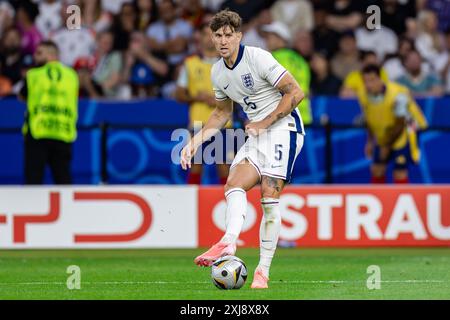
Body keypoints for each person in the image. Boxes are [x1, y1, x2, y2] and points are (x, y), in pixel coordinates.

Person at [180, 10, 305, 289]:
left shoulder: (257, 57)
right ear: (212, 38)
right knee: (233, 184)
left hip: (284, 129)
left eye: (228, 35)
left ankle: (263, 270)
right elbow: (221, 112)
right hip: (257, 134)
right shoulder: (217, 71)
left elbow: (295, 92)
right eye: (218, 35)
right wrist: (194, 142)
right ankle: (228, 241)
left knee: (268, 198)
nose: (223, 40)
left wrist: (264, 121)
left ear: (239, 36)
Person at [175, 23, 231, 184]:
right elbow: (179, 94)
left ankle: (228, 204)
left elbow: (240, 93)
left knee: (224, 165)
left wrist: (218, 100)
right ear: (199, 38)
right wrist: (196, 97)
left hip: (223, 122)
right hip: (198, 122)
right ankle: (190, 204)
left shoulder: (229, 63)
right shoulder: (190, 64)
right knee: (196, 164)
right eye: (206, 34)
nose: (210, 38)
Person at [19, 41, 79, 184]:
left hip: (38, 131)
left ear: (52, 55)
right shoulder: (71, 75)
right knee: (63, 180)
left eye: (40, 53)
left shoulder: (33, 75)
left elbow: (22, 97)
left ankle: (33, 207)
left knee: (33, 181)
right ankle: (67, 207)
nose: (35, 56)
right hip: (63, 132)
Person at [359, 64, 427, 184]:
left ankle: (404, 200)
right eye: (365, 81)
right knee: (377, 169)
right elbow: (369, 118)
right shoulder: (363, 95)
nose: (369, 85)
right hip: (384, 136)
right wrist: (369, 141)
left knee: (399, 172)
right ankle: (380, 198)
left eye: (372, 80)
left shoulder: (398, 94)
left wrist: (386, 146)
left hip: (405, 132)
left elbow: (401, 123)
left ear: (381, 79)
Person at [262, 21, 312, 125]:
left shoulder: (274, 58)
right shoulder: (301, 60)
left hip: (286, 116)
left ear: (280, 38)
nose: (266, 40)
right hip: (304, 115)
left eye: (270, 37)